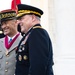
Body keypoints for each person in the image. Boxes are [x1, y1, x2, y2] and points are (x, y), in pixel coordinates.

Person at [15, 4, 54, 75]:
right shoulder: (30, 34)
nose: (19, 22)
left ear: (33, 18)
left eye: (21, 19)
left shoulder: (37, 33)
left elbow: (38, 67)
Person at [0, 9, 22, 75]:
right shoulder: (0, 42)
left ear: (16, 22)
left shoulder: (24, 41)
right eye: (2, 24)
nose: (3, 27)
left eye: (6, 23)